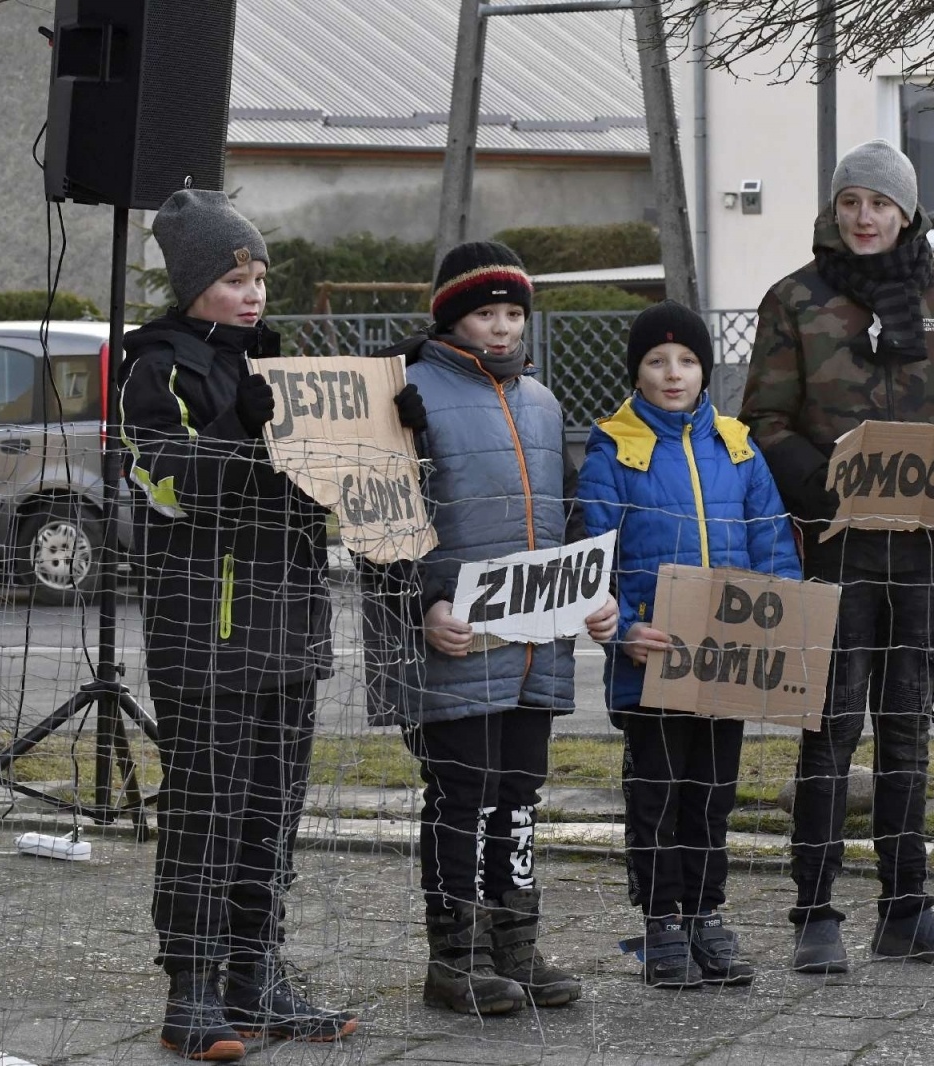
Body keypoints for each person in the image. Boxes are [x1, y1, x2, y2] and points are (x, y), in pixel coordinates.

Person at [739, 139, 934, 973]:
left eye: (879, 204)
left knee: (908, 732)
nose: (864, 217)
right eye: (851, 201)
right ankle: (815, 909)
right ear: (834, 207)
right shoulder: (794, 299)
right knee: (829, 728)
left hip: (920, 552)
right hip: (833, 549)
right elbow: (764, 418)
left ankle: (906, 908)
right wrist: (812, 484)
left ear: (907, 211)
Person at [119, 189, 356, 1061]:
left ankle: (257, 976)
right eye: (231, 277)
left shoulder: (280, 369)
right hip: (206, 638)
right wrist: (240, 428)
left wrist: (386, 439)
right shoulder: (157, 370)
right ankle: (192, 989)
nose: (252, 293)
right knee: (205, 814)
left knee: (271, 813)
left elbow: (327, 493)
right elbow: (170, 484)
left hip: (289, 631)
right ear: (191, 288)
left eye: (258, 276)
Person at [381, 241, 618, 1015]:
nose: (504, 328)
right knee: (462, 793)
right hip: (454, 640)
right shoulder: (408, 395)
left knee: (518, 794)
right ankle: (456, 956)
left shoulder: (544, 404)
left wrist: (591, 592)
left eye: (515, 313)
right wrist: (423, 604)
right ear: (453, 317)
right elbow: (378, 524)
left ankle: (516, 942)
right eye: (487, 313)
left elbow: (566, 519)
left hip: (533, 646)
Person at [578, 301, 801, 988]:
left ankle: (706, 914)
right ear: (636, 372)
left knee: (712, 793)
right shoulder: (613, 450)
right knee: (657, 794)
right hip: (652, 663)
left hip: (725, 663)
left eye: (686, 360)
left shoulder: (737, 446)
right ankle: (661, 922)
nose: (672, 374)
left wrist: (779, 622)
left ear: (704, 369)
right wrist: (620, 631)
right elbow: (591, 559)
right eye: (656, 361)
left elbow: (771, 545)